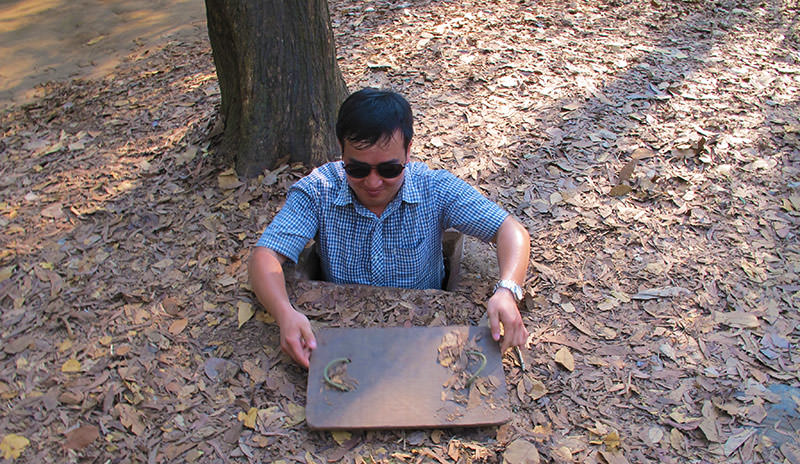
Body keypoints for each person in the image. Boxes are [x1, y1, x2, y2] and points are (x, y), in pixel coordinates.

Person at [248, 88, 531, 368]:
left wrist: (507, 290)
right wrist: (285, 313)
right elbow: (266, 255)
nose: (372, 183)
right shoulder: (319, 190)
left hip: (423, 339)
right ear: (341, 151)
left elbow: (509, 230)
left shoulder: (434, 189)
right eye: (357, 169)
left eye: (388, 170)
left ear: (408, 151)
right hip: (345, 340)